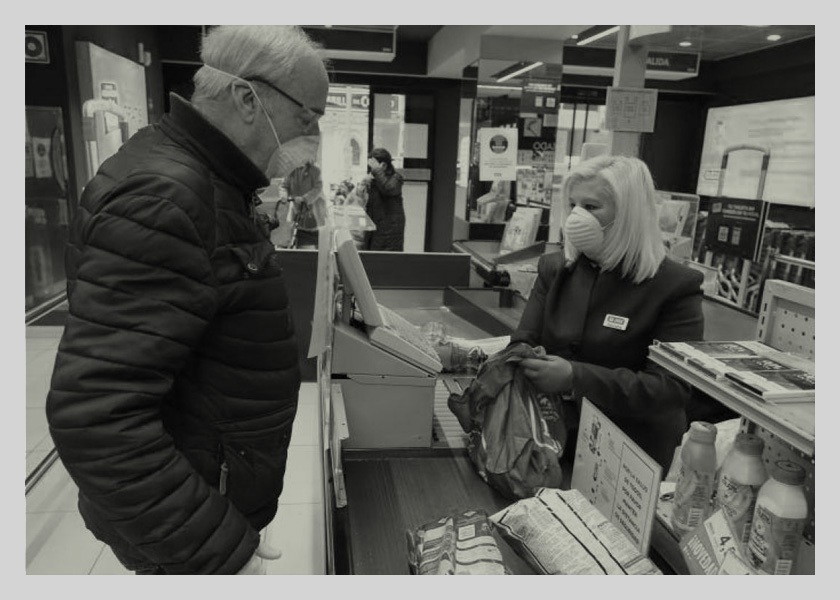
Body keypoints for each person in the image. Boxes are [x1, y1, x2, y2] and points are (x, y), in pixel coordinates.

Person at [45, 26, 329, 574]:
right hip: (188, 526)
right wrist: (217, 551)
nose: (313, 133)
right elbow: (97, 417)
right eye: (308, 115)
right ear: (248, 98)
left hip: (205, 489)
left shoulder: (206, 179)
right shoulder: (169, 196)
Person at [512, 155, 705, 471]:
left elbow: (672, 389)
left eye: (591, 207)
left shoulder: (674, 286)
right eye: (573, 205)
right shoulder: (556, 269)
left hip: (630, 456)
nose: (576, 217)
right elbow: (524, 339)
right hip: (553, 442)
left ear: (629, 214)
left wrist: (576, 377)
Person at [360, 147, 405, 251]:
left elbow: (388, 189)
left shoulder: (397, 178)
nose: (371, 169)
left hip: (390, 232)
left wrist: (376, 171)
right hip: (376, 229)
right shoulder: (375, 180)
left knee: (385, 262)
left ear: (384, 165)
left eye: (373, 166)